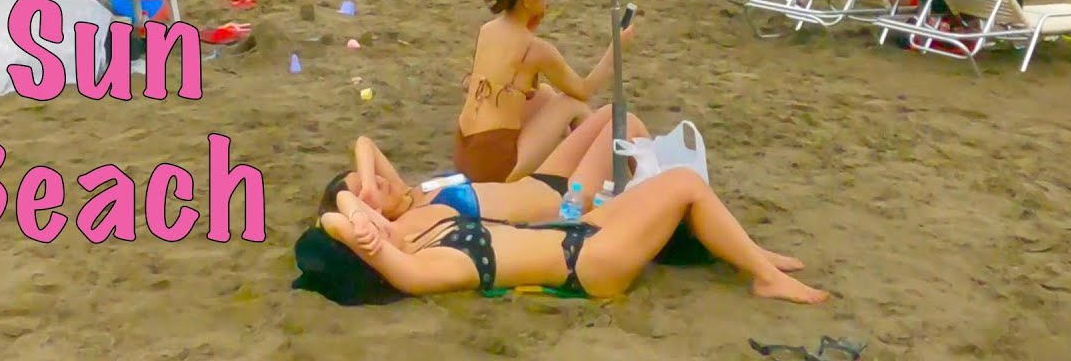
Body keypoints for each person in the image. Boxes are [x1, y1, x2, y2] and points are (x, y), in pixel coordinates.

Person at [308, 167, 828, 305]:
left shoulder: (409, 230)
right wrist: (350, 227)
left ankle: (754, 255)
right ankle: (764, 278)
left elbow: (340, 209)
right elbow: (337, 226)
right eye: (360, 237)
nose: (366, 226)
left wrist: (352, 211)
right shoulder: (417, 269)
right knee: (685, 185)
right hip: (588, 263)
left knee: (672, 189)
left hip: (576, 233)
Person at [319, 105, 650, 238]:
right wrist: (358, 206)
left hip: (539, 180)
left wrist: (367, 184)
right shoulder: (408, 225)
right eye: (367, 191)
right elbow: (345, 228)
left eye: (370, 177)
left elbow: (364, 143)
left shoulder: (407, 192)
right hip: (562, 203)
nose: (376, 181)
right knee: (625, 124)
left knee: (612, 112)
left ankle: (652, 190)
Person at [455, 0, 628, 183]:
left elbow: (514, 78)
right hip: (495, 166)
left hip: (464, 153)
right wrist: (616, 49)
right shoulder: (536, 49)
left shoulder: (487, 30)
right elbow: (583, 90)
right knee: (571, 104)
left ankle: (583, 163)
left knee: (545, 94)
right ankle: (610, 173)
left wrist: (529, 25)